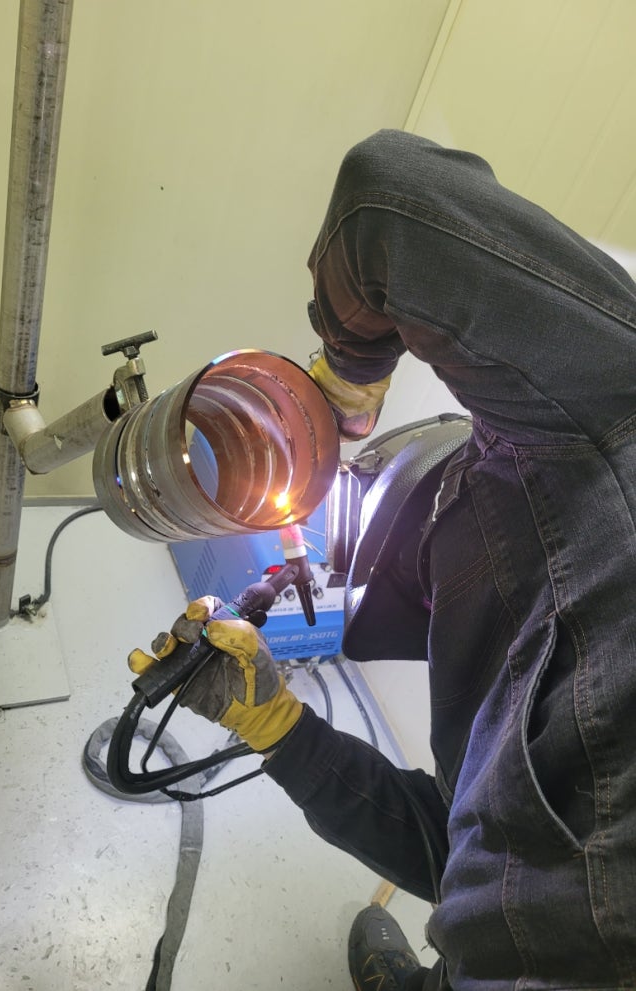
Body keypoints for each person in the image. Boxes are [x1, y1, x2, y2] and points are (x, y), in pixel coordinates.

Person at [134, 130, 636, 990]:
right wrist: (279, 727)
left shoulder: (604, 440)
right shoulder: (544, 628)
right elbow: (471, 849)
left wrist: (347, 379)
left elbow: (385, 198)